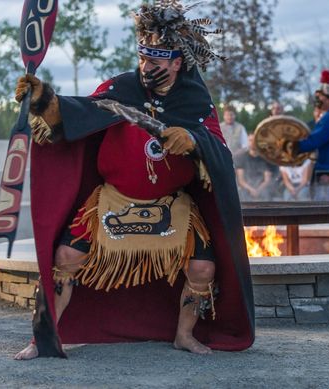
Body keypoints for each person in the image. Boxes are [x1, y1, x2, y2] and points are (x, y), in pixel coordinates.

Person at [13, 1, 254, 360]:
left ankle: (184, 335)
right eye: (143, 58)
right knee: (65, 256)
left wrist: (193, 141)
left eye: (156, 61)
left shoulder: (195, 101)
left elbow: (217, 147)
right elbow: (78, 115)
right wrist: (45, 102)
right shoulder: (121, 87)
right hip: (111, 201)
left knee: (203, 267)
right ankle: (44, 339)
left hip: (173, 206)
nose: (146, 67)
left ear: (176, 62)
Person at [288, 70, 329, 201]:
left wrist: (294, 146)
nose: (317, 100)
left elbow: (316, 140)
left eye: (320, 96)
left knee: (324, 210)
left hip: (328, 169)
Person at [234, 134, 274, 201]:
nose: (252, 143)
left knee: (266, 193)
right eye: (250, 140)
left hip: (262, 189)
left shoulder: (265, 158)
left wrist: (258, 190)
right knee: (241, 194)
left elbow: (267, 180)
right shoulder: (241, 157)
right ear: (247, 141)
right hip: (246, 189)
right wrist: (251, 190)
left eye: (255, 141)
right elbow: (241, 180)